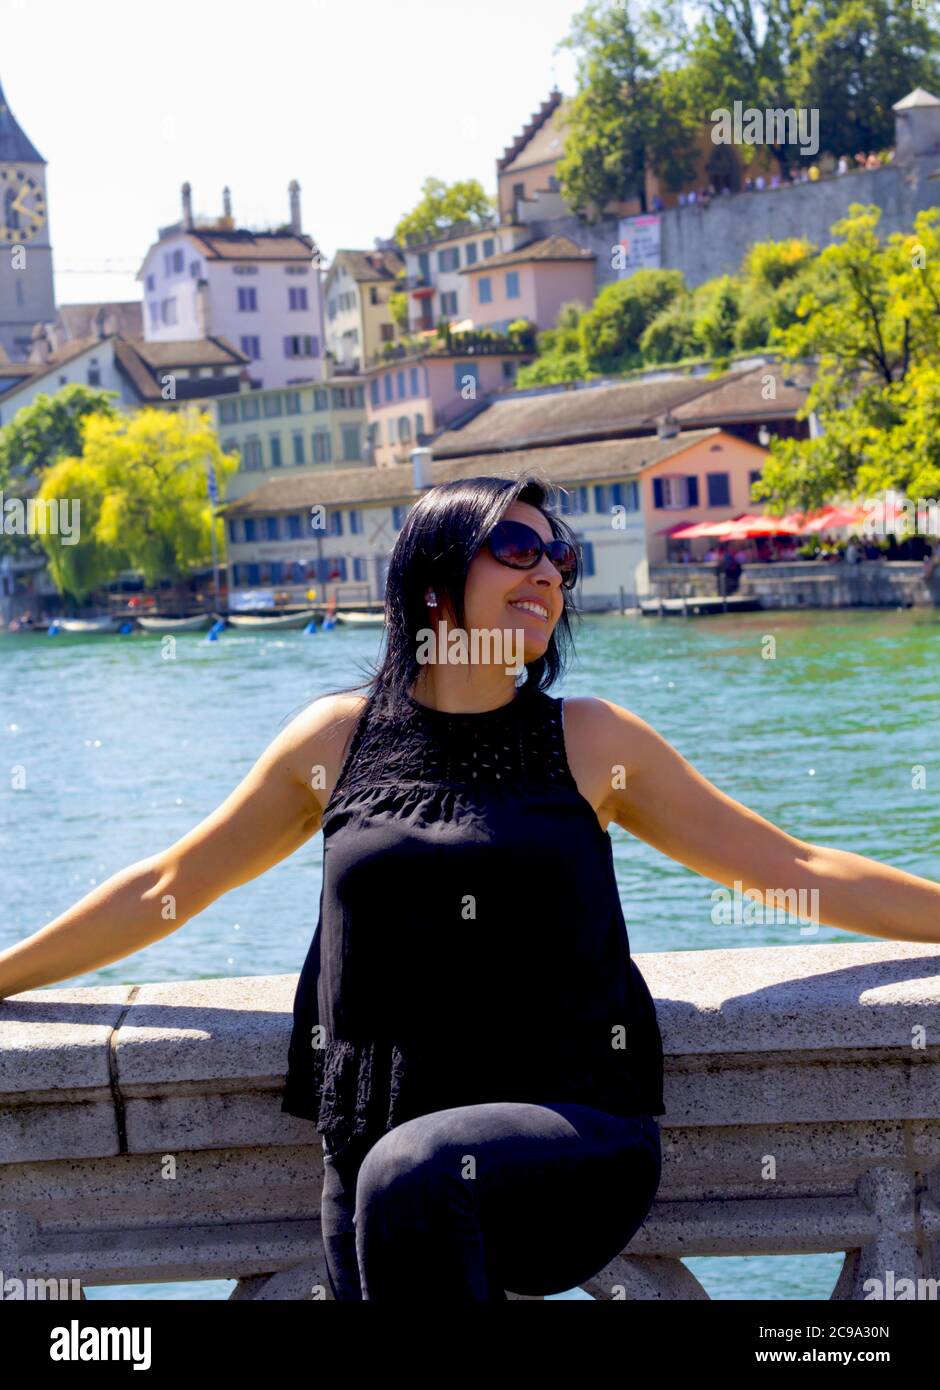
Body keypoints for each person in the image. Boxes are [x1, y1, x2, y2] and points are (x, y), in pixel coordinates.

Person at [2, 474, 939, 1301]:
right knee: (398, 1183)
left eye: (559, 558)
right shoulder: (334, 742)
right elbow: (169, 882)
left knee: (416, 1175)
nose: (550, 573)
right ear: (434, 580)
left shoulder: (591, 740)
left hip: (569, 1138)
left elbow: (795, 871)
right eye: (518, 547)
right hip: (373, 1158)